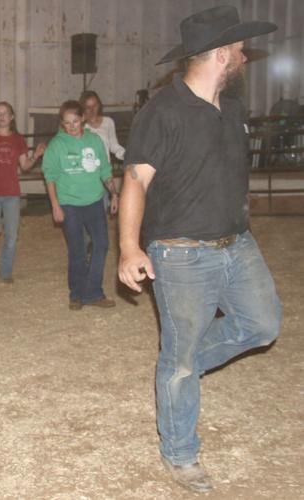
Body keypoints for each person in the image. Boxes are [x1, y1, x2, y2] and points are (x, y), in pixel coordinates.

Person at [117, 6, 280, 493]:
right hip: (181, 252)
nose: (246, 58)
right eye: (239, 49)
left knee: (263, 324)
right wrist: (128, 247)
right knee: (182, 359)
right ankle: (180, 452)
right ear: (219, 53)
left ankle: (177, 368)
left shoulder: (231, 109)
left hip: (238, 244)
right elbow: (134, 182)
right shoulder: (161, 112)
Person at [41, 100, 118, 310]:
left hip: (94, 201)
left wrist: (114, 193)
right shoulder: (57, 145)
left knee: (101, 244)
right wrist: (55, 205)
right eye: (67, 123)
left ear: (82, 118)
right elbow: (50, 177)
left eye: (75, 121)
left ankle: (93, 292)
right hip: (70, 204)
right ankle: (76, 294)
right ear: (62, 124)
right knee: (78, 249)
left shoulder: (94, 141)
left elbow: (105, 171)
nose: (72, 126)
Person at [0, 101, 46, 283]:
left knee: (12, 235)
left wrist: (36, 155)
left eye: (5, 113)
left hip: (11, 193)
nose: (1, 116)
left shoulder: (18, 139)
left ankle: (6, 272)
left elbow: (25, 166)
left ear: (11, 117)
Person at [79, 90, 125, 162]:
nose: (92, 110)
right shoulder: (80, 125)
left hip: (105, 169)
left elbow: (113, 145)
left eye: (94, 106)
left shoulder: (108, 122)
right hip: (87, 169)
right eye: (88, 107)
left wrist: (124, 153)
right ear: (83, 108)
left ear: (99, 105)